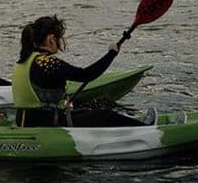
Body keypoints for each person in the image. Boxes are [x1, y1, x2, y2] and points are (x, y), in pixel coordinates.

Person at [12, 15, 147, 128]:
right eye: (59, 39)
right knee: (104, 115)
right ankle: (145, 128)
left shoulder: (25, 60)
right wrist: (111, 54)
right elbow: (86, 75)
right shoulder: (46, 62)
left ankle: (134, 123)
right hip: (45, 123)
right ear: (51, 39)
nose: (60, 43)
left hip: (25, 120)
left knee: (89, 106)